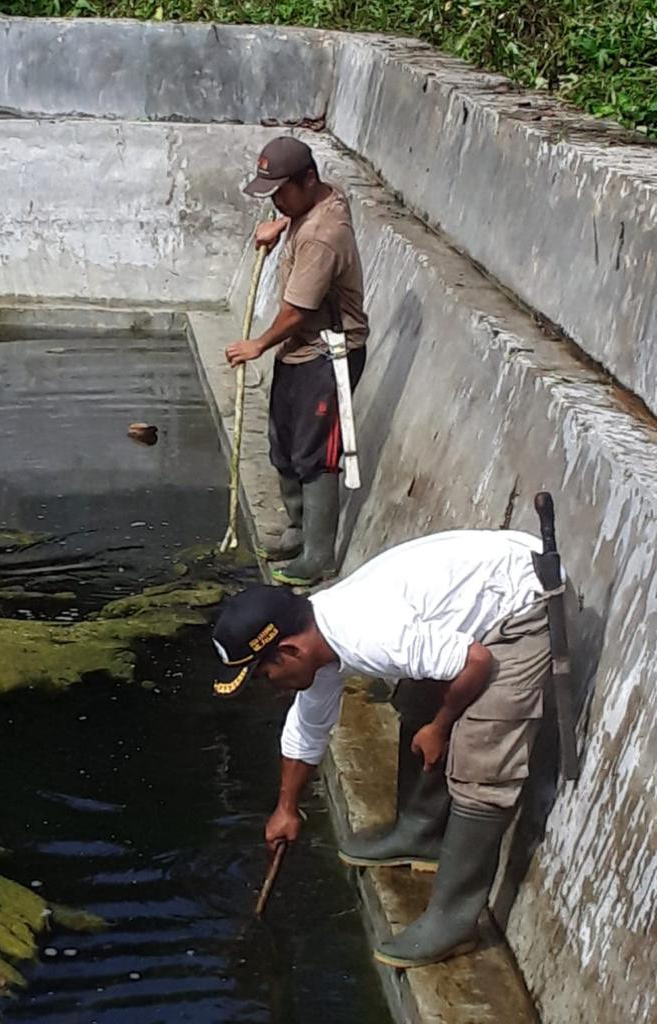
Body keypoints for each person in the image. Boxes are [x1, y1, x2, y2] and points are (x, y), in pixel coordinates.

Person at [210, 529, 553, 969]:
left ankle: (454, 922)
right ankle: (422, 832)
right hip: (487, 590)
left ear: (291, 651)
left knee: (481, 755)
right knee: (415, 698)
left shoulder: (368, 634)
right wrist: (286, 809)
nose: (267, 686)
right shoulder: (322, 630)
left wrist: (441, 728)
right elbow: (307, 727)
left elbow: (476, 661)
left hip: (527, 604)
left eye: (263, 675)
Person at [225, 136, 368, 587]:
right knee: (282, 443)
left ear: (307, 180)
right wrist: (281, 223)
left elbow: (297, 311)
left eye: (281, 193)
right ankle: (295, 530)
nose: (277, 201)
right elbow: (301, 210)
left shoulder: (324, 237)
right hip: (300, 349)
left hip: (328, 354)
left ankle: (318, 555)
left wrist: (258, 345)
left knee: (314, 454)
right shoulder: (317, 198)